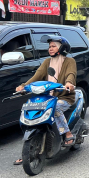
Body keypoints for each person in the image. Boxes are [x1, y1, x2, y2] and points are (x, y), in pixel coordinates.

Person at [13, 36, 77, 164]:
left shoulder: (70, 61)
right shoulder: (47, 62)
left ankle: (67, 133)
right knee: (30, 108)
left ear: (62, 48)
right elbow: (36, 76)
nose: (50, 49)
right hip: (47, 96)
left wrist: (69, 83)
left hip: (63, 96)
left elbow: (71, 74)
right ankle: (28, 150)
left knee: (56, 108)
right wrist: (23, 86)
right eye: (49, 47)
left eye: (53, 46)